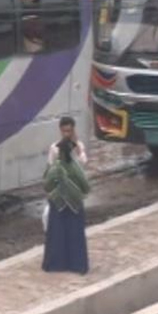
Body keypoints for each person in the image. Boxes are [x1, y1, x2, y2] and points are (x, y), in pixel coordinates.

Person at [42, 116, 92, 275]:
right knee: (58, 231)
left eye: (69, 131)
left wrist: (77, 146)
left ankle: (76, 264)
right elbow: (49, 170)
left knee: (74, 232)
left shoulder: (78, 146)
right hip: (59, 197)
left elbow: (84, 163)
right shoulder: (54, 148)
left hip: (74, 197)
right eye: (64, 131)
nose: (67, 134)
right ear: (60, 130)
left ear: (73, 130)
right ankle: (57, 263)